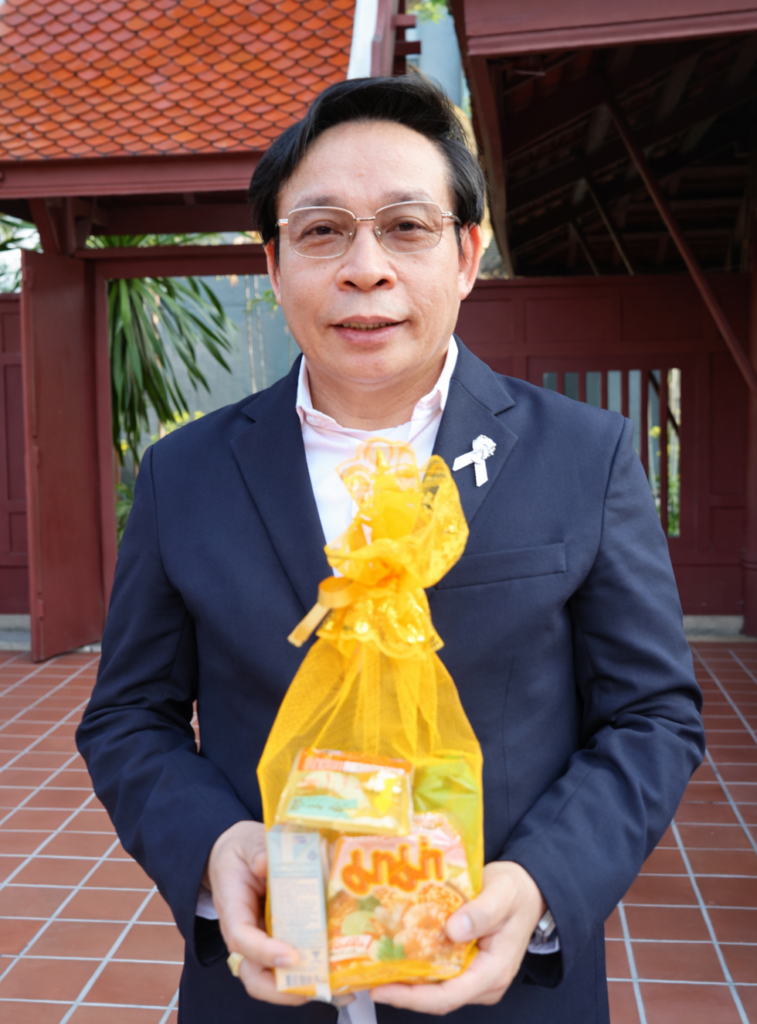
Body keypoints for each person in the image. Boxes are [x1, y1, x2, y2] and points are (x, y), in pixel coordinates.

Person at [77, 76, 705, 1024]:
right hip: (265, 981)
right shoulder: (183, 474)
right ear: (274, 262)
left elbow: (652, 715)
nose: (364, 269)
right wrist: (211, 848)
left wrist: (541, 883)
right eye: (322, 231)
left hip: (507, 991)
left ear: (467, 254)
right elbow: (129, 715)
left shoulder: (584, 456)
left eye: (406, 227)